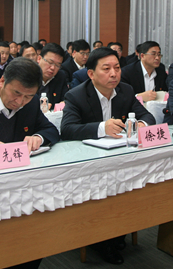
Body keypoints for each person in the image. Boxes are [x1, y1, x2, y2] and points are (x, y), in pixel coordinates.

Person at [60, 47, 155, 265]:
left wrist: (142, 124)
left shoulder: (126, 90)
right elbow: (67, 130)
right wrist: (102, 127)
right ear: (91, 73)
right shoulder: (76, 95)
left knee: (130, 189)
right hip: (89, 164)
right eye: (106, 69)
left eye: (117, 68)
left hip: (121, 159)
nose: (114, 74)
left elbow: (147, 116)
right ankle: (102, 241)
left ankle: (117, 233)